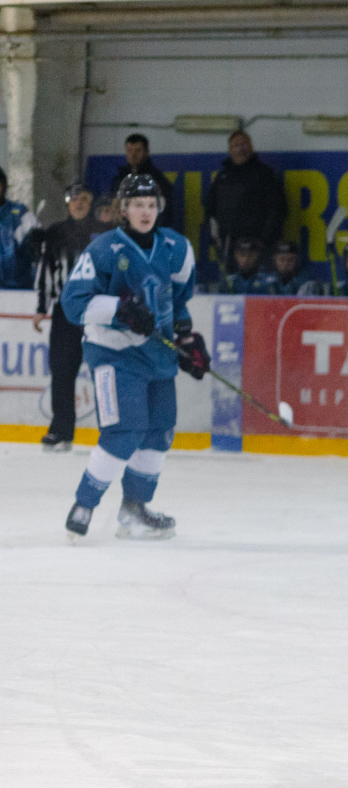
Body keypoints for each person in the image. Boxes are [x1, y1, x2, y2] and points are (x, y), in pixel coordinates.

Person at [59, 173, 209, 541]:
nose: (146, 211)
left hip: (157, 354)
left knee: (159, 431)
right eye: (137, 205)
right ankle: (85, 504)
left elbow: (177, 300)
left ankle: (134, 509)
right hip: (113, 352)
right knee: (124, 431)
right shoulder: (103, 250)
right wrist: (120, 310)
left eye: (151, 205)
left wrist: (187, 339)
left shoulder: (176, 247)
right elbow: (72, 303)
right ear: (123, 210)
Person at [34, 183, 111, 451]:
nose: (78, 203)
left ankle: (114, 431)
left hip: (98, 311)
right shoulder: (55, 233)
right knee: (62, 371)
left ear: (90, 202)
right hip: (65, 313)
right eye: (73, 198)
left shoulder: (104, 233)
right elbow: (46, 269)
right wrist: (42, 307)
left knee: (106, 371)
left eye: (84, 198)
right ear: (67, 203)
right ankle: (61, 429)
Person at [202, 130, 286, 273]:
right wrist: (215, 238)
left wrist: (263, 240)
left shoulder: (265, 174)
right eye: (236, 146)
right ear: (229, 150)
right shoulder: (222, 177)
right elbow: (210, 209)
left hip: (258, 247)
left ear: (252, 147)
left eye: (244, 145)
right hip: (230, 247)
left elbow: (278, 210)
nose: (241, 149)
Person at [110, 133, 182, 234]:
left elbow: (165, 213)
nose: (133, 154)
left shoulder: (157, 180)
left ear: (146, 152)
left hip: (148, 234)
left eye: (138, 150)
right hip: (124, 234)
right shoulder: (119, 180)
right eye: (129, 150)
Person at [0, 167, 41, 289]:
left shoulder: (18, 212)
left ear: (4, 186)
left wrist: (35, 237)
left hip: (18, 289)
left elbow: (36, 247)